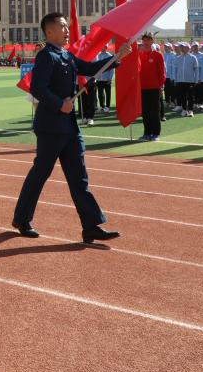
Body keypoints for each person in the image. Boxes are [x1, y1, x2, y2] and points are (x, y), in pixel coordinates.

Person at [12, 12, 129, 243]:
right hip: (51, 127)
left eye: (67, 26)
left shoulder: (66, 54)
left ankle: (91, 226)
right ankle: (22, 219)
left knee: (79, 177)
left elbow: (89, 68)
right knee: (40, 174)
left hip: (70, 127)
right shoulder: (46, 56)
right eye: (63, 26)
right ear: (49, 31)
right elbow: (38, 88)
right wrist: (59, 104)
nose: (67, 31)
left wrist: (117, 57)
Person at [137, 33, 166, 141]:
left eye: (148, 40)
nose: (145, 42)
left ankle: (155, 133)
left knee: (154, 111)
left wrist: (161, 86)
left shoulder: (158, 55)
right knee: (145, 112)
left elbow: (162, 72)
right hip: (142, 88)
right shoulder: (139, 55)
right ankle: (147, 133)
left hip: (154, 88)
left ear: (152, 41)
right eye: (144, 40)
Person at [173, 42, 199, 117]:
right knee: (182, 96)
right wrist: (175, 79)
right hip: (180, 81)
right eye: (181, 47)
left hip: (190, 81)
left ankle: (190, 111)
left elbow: (196, 69)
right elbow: (175, 69)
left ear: (188, 48)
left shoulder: (193, 57)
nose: (182, 48)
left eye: (184, 47)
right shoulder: (178, 58)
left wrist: (196, 79)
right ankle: (184, 110)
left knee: (190, 96)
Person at [94, 45, 114, 113]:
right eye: (101, 47)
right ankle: (102, 106)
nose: (102, 48)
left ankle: (107, 107)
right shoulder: (98, 56)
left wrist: (110, 78)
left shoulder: (109, 56)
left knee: (108, 93)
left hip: (107, 78)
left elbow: (111, 68)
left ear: (106, 48)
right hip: (99, 79)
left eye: (103, 47)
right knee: (100, 94)